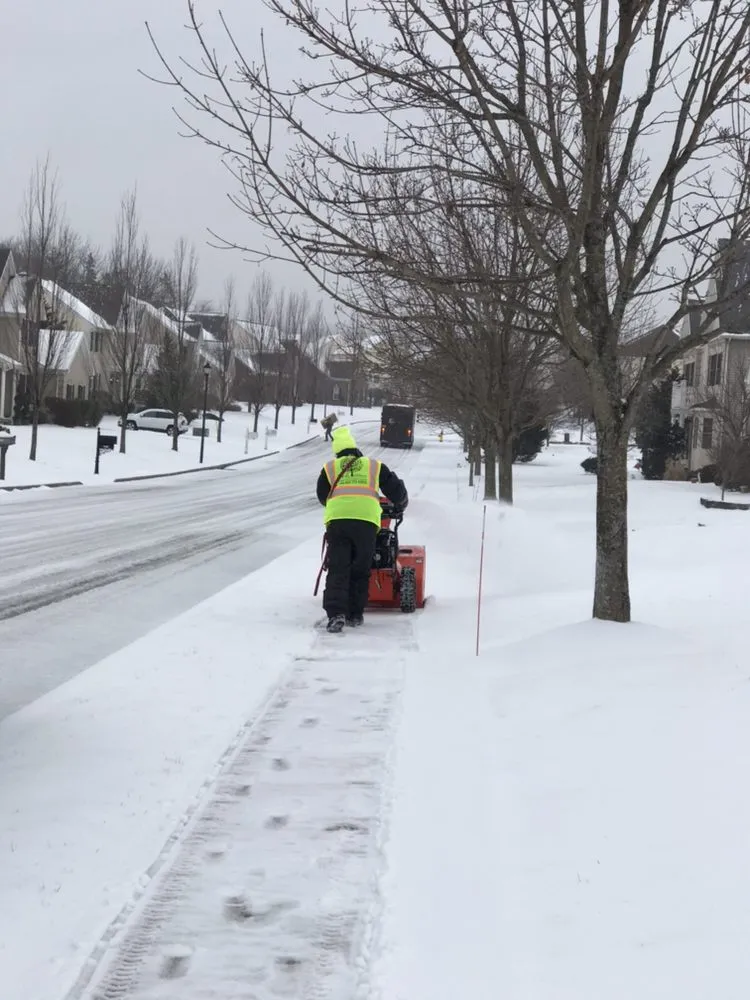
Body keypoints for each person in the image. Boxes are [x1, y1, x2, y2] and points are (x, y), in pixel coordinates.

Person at [317, 425, 408, 633]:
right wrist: (401, 503)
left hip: (338, 522)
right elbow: (395, 489)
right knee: (360, 568)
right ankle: (355, 614)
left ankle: (336, 614)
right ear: (356, 449)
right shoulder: (373, 466)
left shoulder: (329, 468)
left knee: (338, 568)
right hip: (366, 523)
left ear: (338, 452)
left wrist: (341, 504)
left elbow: (322, 496)